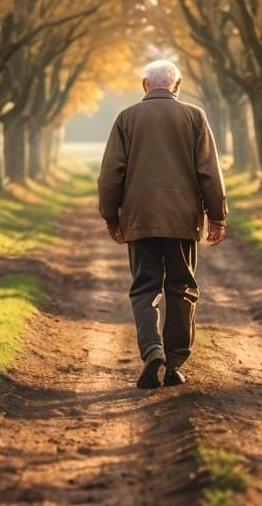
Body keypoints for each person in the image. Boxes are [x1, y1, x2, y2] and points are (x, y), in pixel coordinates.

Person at [97, 59, 227, 390]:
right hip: (183, 219)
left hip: (140, 218)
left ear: (145, 84)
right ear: (177, 85)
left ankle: (152, 350)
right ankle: (174, 364)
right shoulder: (194, 116)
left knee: (144, 287)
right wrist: (217, 215)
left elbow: (111, 173)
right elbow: (208, 171)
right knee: (181, 287)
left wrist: (111, 216)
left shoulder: (126, 118)